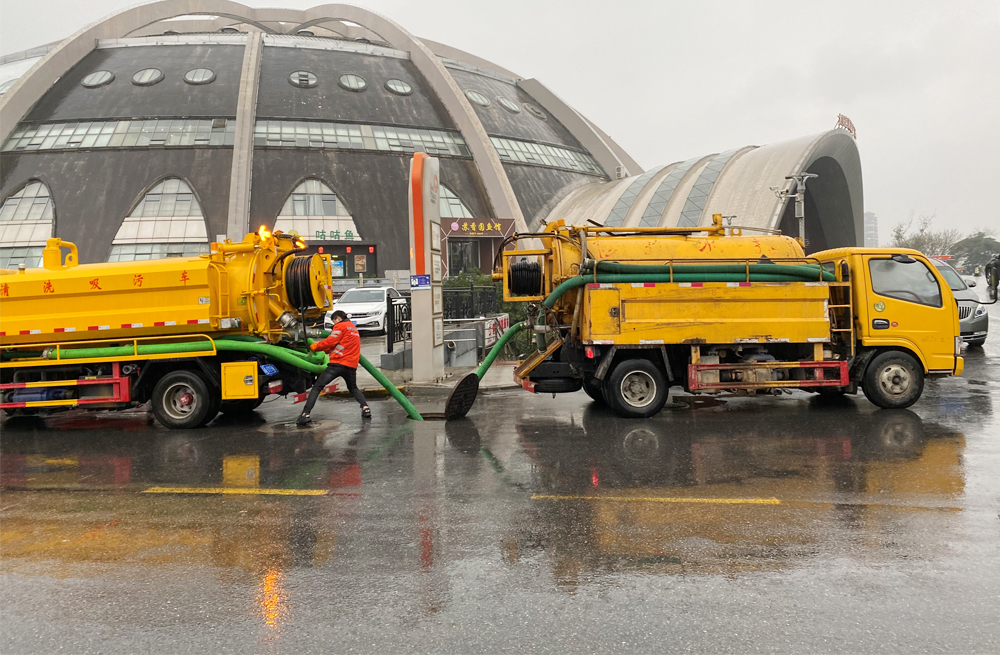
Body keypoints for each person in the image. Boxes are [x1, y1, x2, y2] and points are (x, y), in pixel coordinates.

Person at [296, 310, 370, 425]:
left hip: (337, 364)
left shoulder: (340, 326)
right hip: (351, 366)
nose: (334, 324)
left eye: (334, 321)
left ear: (338, 319)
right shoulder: (353, 329)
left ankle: (305, 414)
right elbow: (340, 345)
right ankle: (365, 408)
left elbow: (331, 341)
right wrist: (325, 350)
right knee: (353, 388)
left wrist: (316, 346)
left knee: (317, 387)